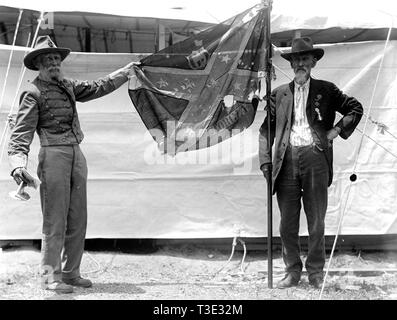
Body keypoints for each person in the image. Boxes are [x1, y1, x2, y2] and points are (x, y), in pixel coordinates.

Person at [8, 36, 137, 294]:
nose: (54, 63)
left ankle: (71, 272)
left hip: (77, 155)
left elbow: (97, 87)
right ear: (39, 64)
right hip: (53, 156)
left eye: (56, 58)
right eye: (48, 59)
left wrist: (125, 73)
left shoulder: (67, 85)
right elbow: (20, 133)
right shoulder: (31, 92)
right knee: (54, 222)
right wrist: (18, 165)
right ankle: (49, 277)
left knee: (78, 218)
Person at [258, 37, 363, 289]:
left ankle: (316, 272)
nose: (300, 64)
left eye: (305, 59)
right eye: (296, 60)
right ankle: (292, 271)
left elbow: (355, 108)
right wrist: (265, 163)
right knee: (287, 223)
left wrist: (334, 131)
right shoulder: (279, 94)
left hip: (316, 159)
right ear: (291, 64)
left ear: (314, 62)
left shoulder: (326, 90)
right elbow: (266, 131)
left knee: (316, 220)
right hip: (286, 161)